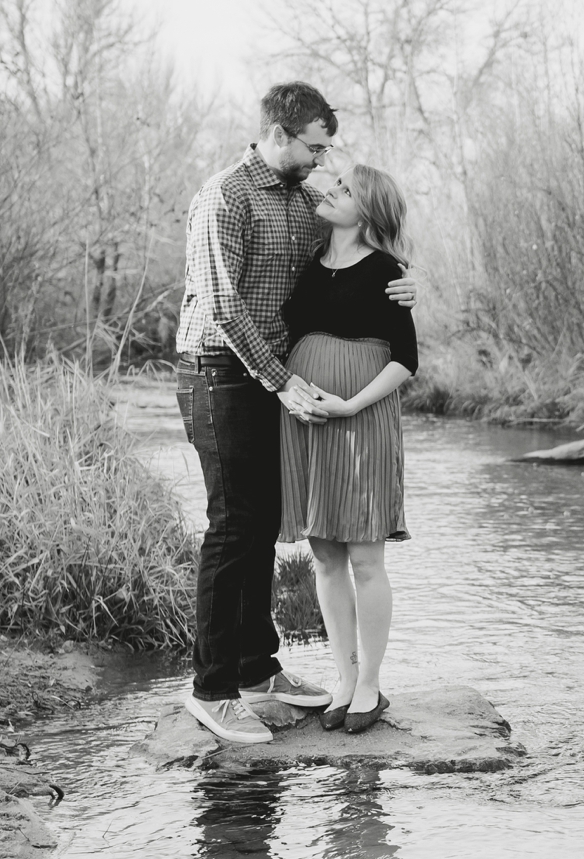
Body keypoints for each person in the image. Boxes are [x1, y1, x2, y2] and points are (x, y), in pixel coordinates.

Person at [176, 82, 416, 745]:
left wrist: (406, 282)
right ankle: (214, 688)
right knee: (232, 527)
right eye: (314, 146)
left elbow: (363, 247)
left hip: (275, 380)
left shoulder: (304, 198)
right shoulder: (225, 196)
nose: (321, 160)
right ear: (279, 135)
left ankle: (258, 670)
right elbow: (224, 308)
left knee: (261, 526)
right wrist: (283, 382)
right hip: (220, 372)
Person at [278, 162, 418, 733]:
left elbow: (406, 359)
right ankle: (342, 675)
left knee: (364, 557)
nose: (330, 193)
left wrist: (352, 403)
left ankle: (370, 684)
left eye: (345, 191)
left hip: (360, 418)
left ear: (367, 211)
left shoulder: (388, 270)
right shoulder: (310, 258)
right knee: (326, 556)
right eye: (331, 185)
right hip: (307, 420)